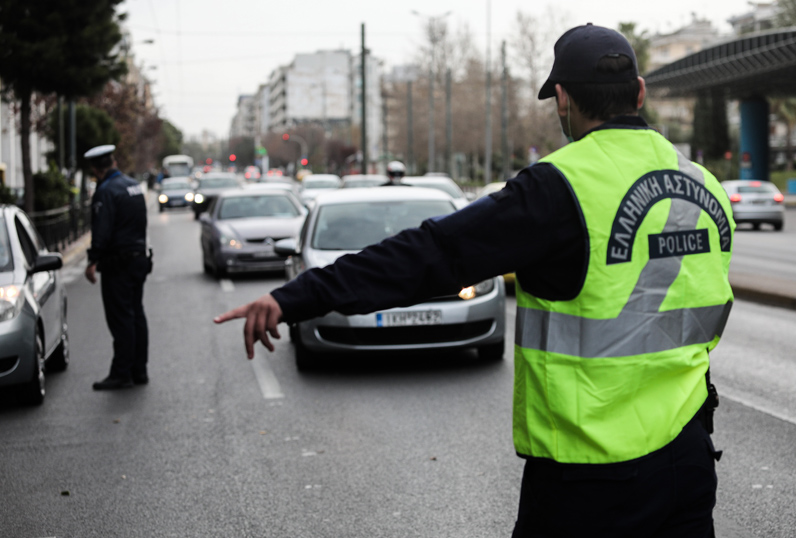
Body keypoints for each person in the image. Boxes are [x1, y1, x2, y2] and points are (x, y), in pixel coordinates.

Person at [215, 23, 734, 537]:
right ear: (639, 93)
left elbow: (430, 254)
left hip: (591, 473)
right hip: (687, 462)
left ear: (561, 100)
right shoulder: (705, 187)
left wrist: (296, 296)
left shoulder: (559, 186)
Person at [84, 144, 152, 391]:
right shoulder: (132, 185)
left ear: (96, 169)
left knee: (121, 319)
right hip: (138, 259)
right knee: (136, 315)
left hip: (118, 264)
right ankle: (139, 370)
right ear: (112, 162)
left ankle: (121, 372)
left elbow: (102, 230)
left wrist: (93, 260)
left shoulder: (106, 191)